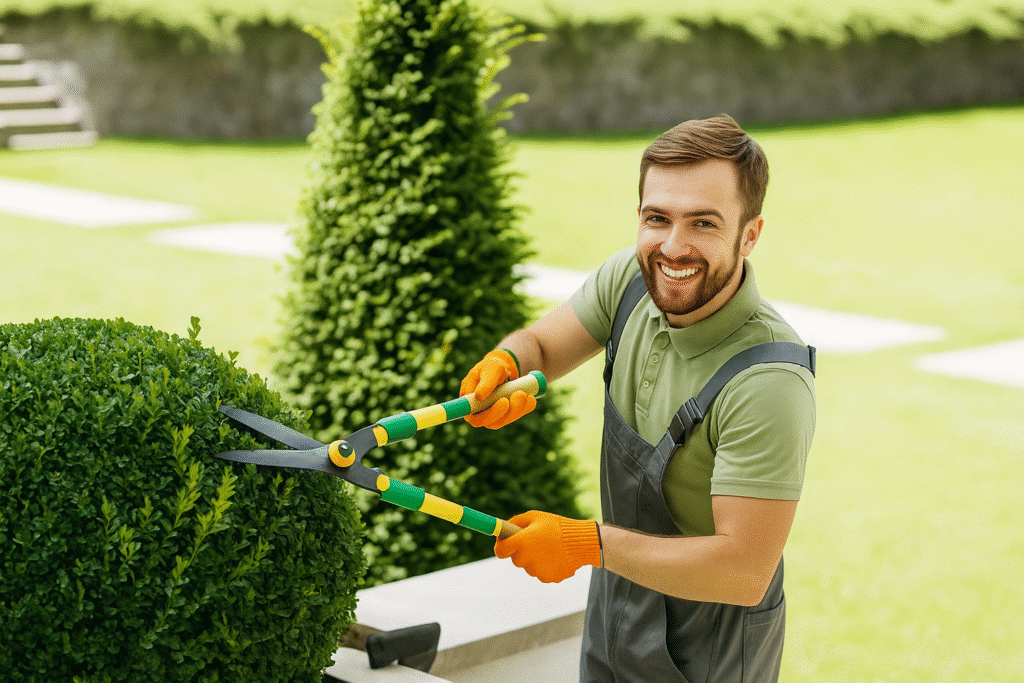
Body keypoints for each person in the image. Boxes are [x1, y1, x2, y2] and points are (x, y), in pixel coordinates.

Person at [460, 114, 817, 683]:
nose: (673, 247)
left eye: (703, 223)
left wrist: (588, 544)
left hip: (712, 646)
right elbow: (542, 347)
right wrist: (509, 363)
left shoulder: (770, 381)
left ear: (749, 235)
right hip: (617, 606)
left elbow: (743, 571)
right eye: (658, 218)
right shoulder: (629, 281)